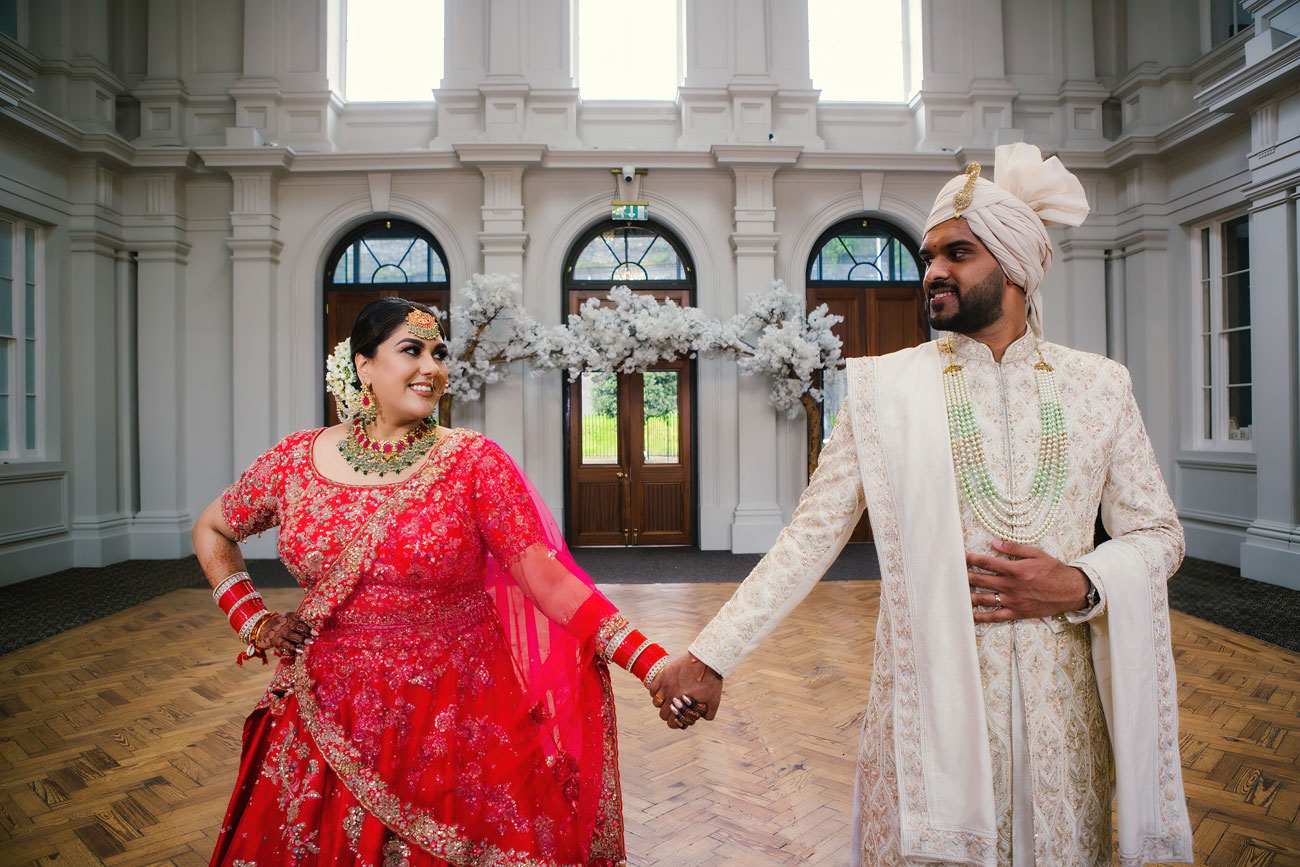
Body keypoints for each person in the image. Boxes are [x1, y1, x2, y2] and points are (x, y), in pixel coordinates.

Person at [652, 143, 1194, 866]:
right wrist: (711, 654)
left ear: (1015, 267)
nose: (932, 270)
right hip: (924, 718)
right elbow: (808, 538)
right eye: (928, 254)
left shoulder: (1099, 386)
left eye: (957, 253)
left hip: (1061, 730)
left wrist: (1081, 582)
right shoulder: (882, 391)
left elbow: (1159, 533)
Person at [195, 297, 687, 866]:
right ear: (364, 366)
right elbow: (212, 528)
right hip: (323, 714)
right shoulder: (295, 459)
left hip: (453, 721)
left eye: (438, 353)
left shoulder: (472, 462)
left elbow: (550, 583)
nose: (431, 368)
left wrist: (653, 664)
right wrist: (252, 620)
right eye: (411, 351)